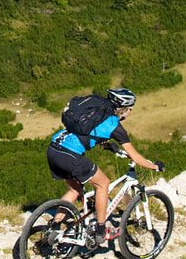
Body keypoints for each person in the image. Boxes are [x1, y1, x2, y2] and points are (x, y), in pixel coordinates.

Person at [46, 87, 162, 246]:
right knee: (103, 184)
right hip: (71, 155)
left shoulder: (94, 111)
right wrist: (155, 166)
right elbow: (136, 157)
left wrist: (108, 146)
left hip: (54, 148)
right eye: (130, 109)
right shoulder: (114, 125)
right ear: (125, 108)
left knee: (75, 189)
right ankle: (101, 230)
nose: (129, 113)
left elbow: (89, 133)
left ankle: (54, 227)